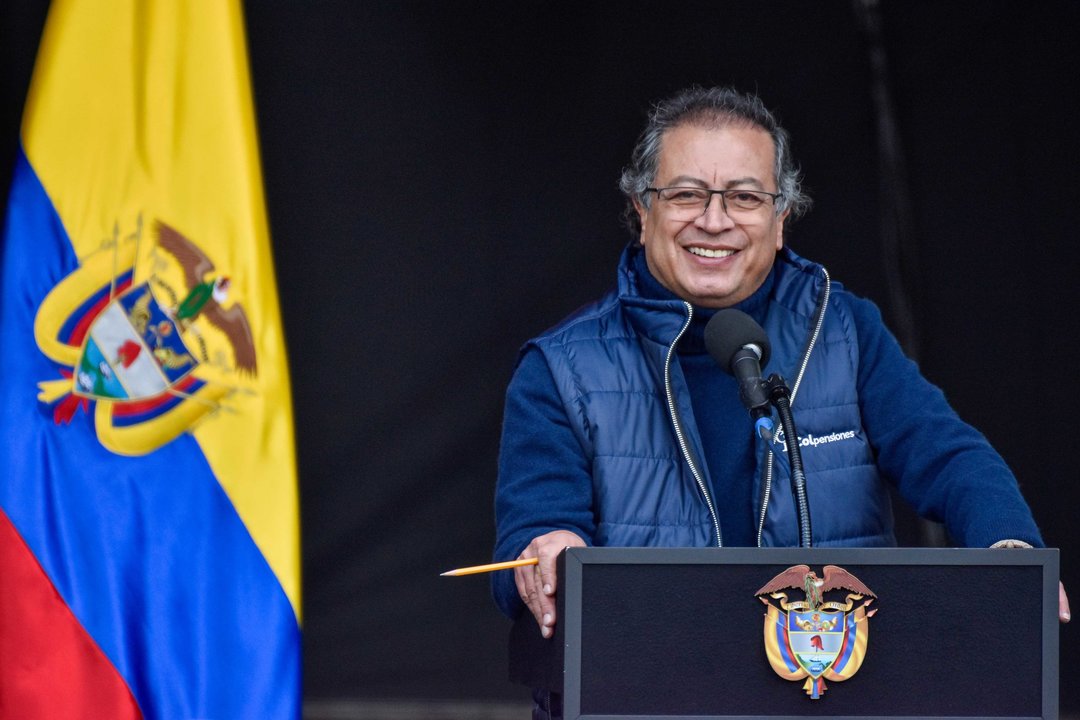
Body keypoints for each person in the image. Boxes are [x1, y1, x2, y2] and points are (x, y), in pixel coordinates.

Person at [492, 87, 1069, 714]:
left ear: (781, 214)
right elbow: (536, 526)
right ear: (641, 206)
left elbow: (947, 453)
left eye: (744, 197)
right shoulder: (561, 366)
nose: (714, 221)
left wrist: (1009, 547)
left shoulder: (843, 330)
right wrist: (546, 549)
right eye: (687, 194)